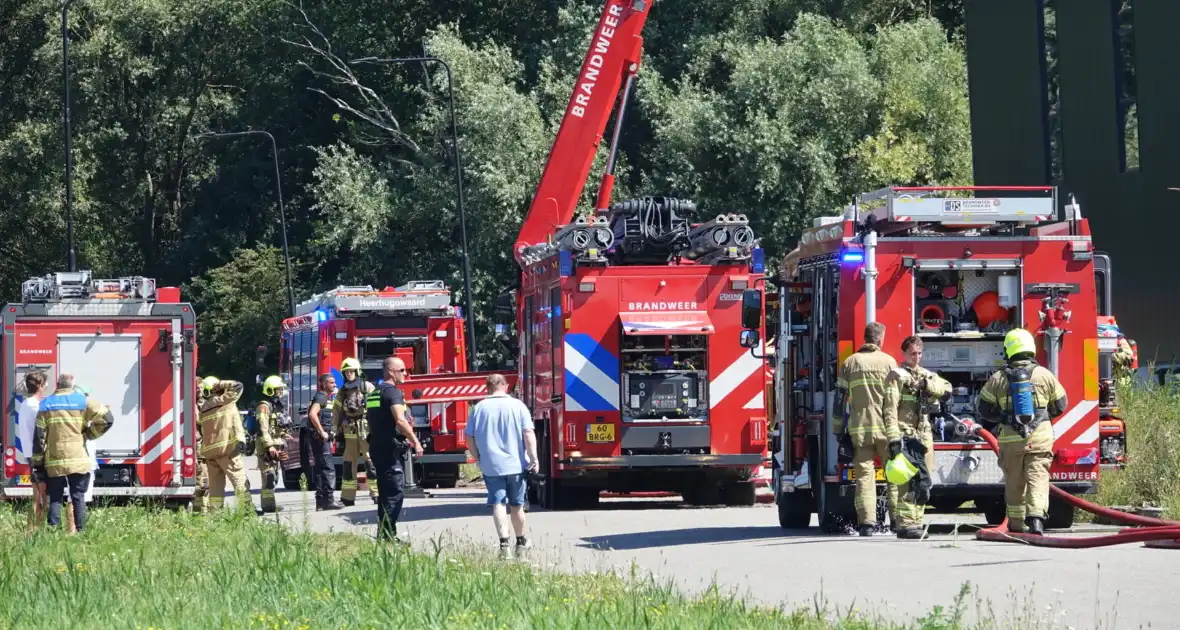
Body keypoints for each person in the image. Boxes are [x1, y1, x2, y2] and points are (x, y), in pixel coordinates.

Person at [976, 328, 1069, 536]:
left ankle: (1016, 524)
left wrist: (1003, 417)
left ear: (1008, 350)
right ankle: (1036, 520)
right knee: (1038, 477)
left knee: (1014, 481)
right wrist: (1043, 416)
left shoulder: (998, 378)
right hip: (1040, 438)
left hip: (1011, 440)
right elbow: (1061, 404)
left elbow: (983, 408)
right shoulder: (1045, 375)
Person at [834, 321, 899, 536]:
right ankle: (897, 521)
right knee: (894, 475)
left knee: (864, 477)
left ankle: (867, 524)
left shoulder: (851, 362)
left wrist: (838, 428)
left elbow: (839, 399)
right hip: (886, 429)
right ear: (880, 340)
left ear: (865, 338)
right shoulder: (889, 362)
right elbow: (896, 398)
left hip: (859, 429)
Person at [883, 336, 951, 539]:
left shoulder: (926, 375)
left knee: (923, 480)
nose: (916, 357)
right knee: (907, 482)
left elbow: (947, 389)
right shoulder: (896, 376)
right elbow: (889, 409)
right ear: (904, 353)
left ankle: (917, 522)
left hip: (924, 435)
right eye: (913, 353)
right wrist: (894, 438)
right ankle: (906, 524)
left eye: (919, 353)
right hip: (905, 434)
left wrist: (926, 385)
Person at [464, 373, 539, 557]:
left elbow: (469, 437)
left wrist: (478, 457)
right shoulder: (518, 406)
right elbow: (528, 434)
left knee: (497, 502)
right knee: (517, 505)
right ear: (505, 386)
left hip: (491, 466)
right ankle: (521, 541)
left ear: (487, 387)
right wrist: (533, 458)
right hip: (515, 465)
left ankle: (504, 544)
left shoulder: (478, 408)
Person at [31, 373, 114, 534]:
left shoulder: (46, 404)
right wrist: (89, 434)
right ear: (72, 385)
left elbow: (39, 438)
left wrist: (37, 464)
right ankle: (81, 532)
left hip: (55, 461)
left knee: (55, 497)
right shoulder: (83, 401)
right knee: (78, 497)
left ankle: (53, 532)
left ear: (57, 384)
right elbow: (107, 419)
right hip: (78, 459)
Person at [364, 356, 423, 543]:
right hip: (389, 450)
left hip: (377, 447)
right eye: (402, 370)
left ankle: (384, 534)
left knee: (384, 492)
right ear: (391, 371)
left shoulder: (374, 394)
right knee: (394, 492)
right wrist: (415, 441)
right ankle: (388, 535)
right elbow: (400, 420)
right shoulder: (393, 393)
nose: (406, 374)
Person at [198, 378, 251, 513]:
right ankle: (246, 510)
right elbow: (239, 385)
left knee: (215, 487)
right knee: (239, 480)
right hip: (227, 449)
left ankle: (215, 514)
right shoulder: (225, 401)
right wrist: (220, 384)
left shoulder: (204, 407)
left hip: (210, 452)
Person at [334, 357, 377, 506]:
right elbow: (337, 411)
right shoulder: (342, 391)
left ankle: (376, 493)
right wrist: (335, 431)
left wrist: (376, 426)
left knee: (370, 459)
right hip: (349, 428)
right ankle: (347, 497)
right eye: (346, 372)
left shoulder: (367, 387)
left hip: (366, 427)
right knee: (348, 462)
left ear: (357, 371)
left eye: (351, 371)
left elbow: (375, 407)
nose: (349, 374)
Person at [15, 370, 49, 533]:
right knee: (40, 493)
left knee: (37, 492)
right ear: (40, 386)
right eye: (45, 384)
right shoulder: (34, 405)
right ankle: (36, 528)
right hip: (37, 454)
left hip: (30, 452)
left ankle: (34, 528)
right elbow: (42, 429)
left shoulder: (25, 403)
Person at [255, 375, 293, 513]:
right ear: (270, 390)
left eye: (281, 390)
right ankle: (268, 506)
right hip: (266, 447)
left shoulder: (275, 406)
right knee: (268, 477)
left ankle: (270, 504)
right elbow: (263, 428)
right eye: (277, 390)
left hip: (276, 445)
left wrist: (283, 434)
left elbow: (275, 425)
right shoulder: (263, 407)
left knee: (274, 477)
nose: (280, 393)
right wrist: (269, 446)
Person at [307, 373, 343, 510]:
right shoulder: (321, 396)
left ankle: (321, 502)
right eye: (331, 383)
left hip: (319, 437)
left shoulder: (324, 397)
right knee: (328, 468)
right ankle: (329, 501)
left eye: (334, 383)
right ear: (323, 384)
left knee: (321, 468)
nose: (334, 385)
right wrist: (322, 431)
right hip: (320, 438)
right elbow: (312, 414)